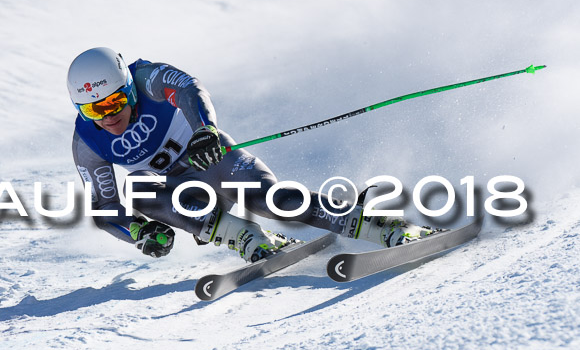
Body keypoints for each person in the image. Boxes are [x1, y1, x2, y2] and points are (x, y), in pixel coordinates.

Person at [67, 47, 435, 261]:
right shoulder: (87, 144)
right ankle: (247, 238)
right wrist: (139, 232)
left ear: (129, 89)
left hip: (210, 159)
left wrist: (205, 130)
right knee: (137, 188)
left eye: (115, 101)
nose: (109, 115)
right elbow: (106, 208)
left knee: (270, 200)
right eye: (95, 110)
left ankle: (383, 227)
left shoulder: (146, 77)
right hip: (184, 196)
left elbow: (190, 89)